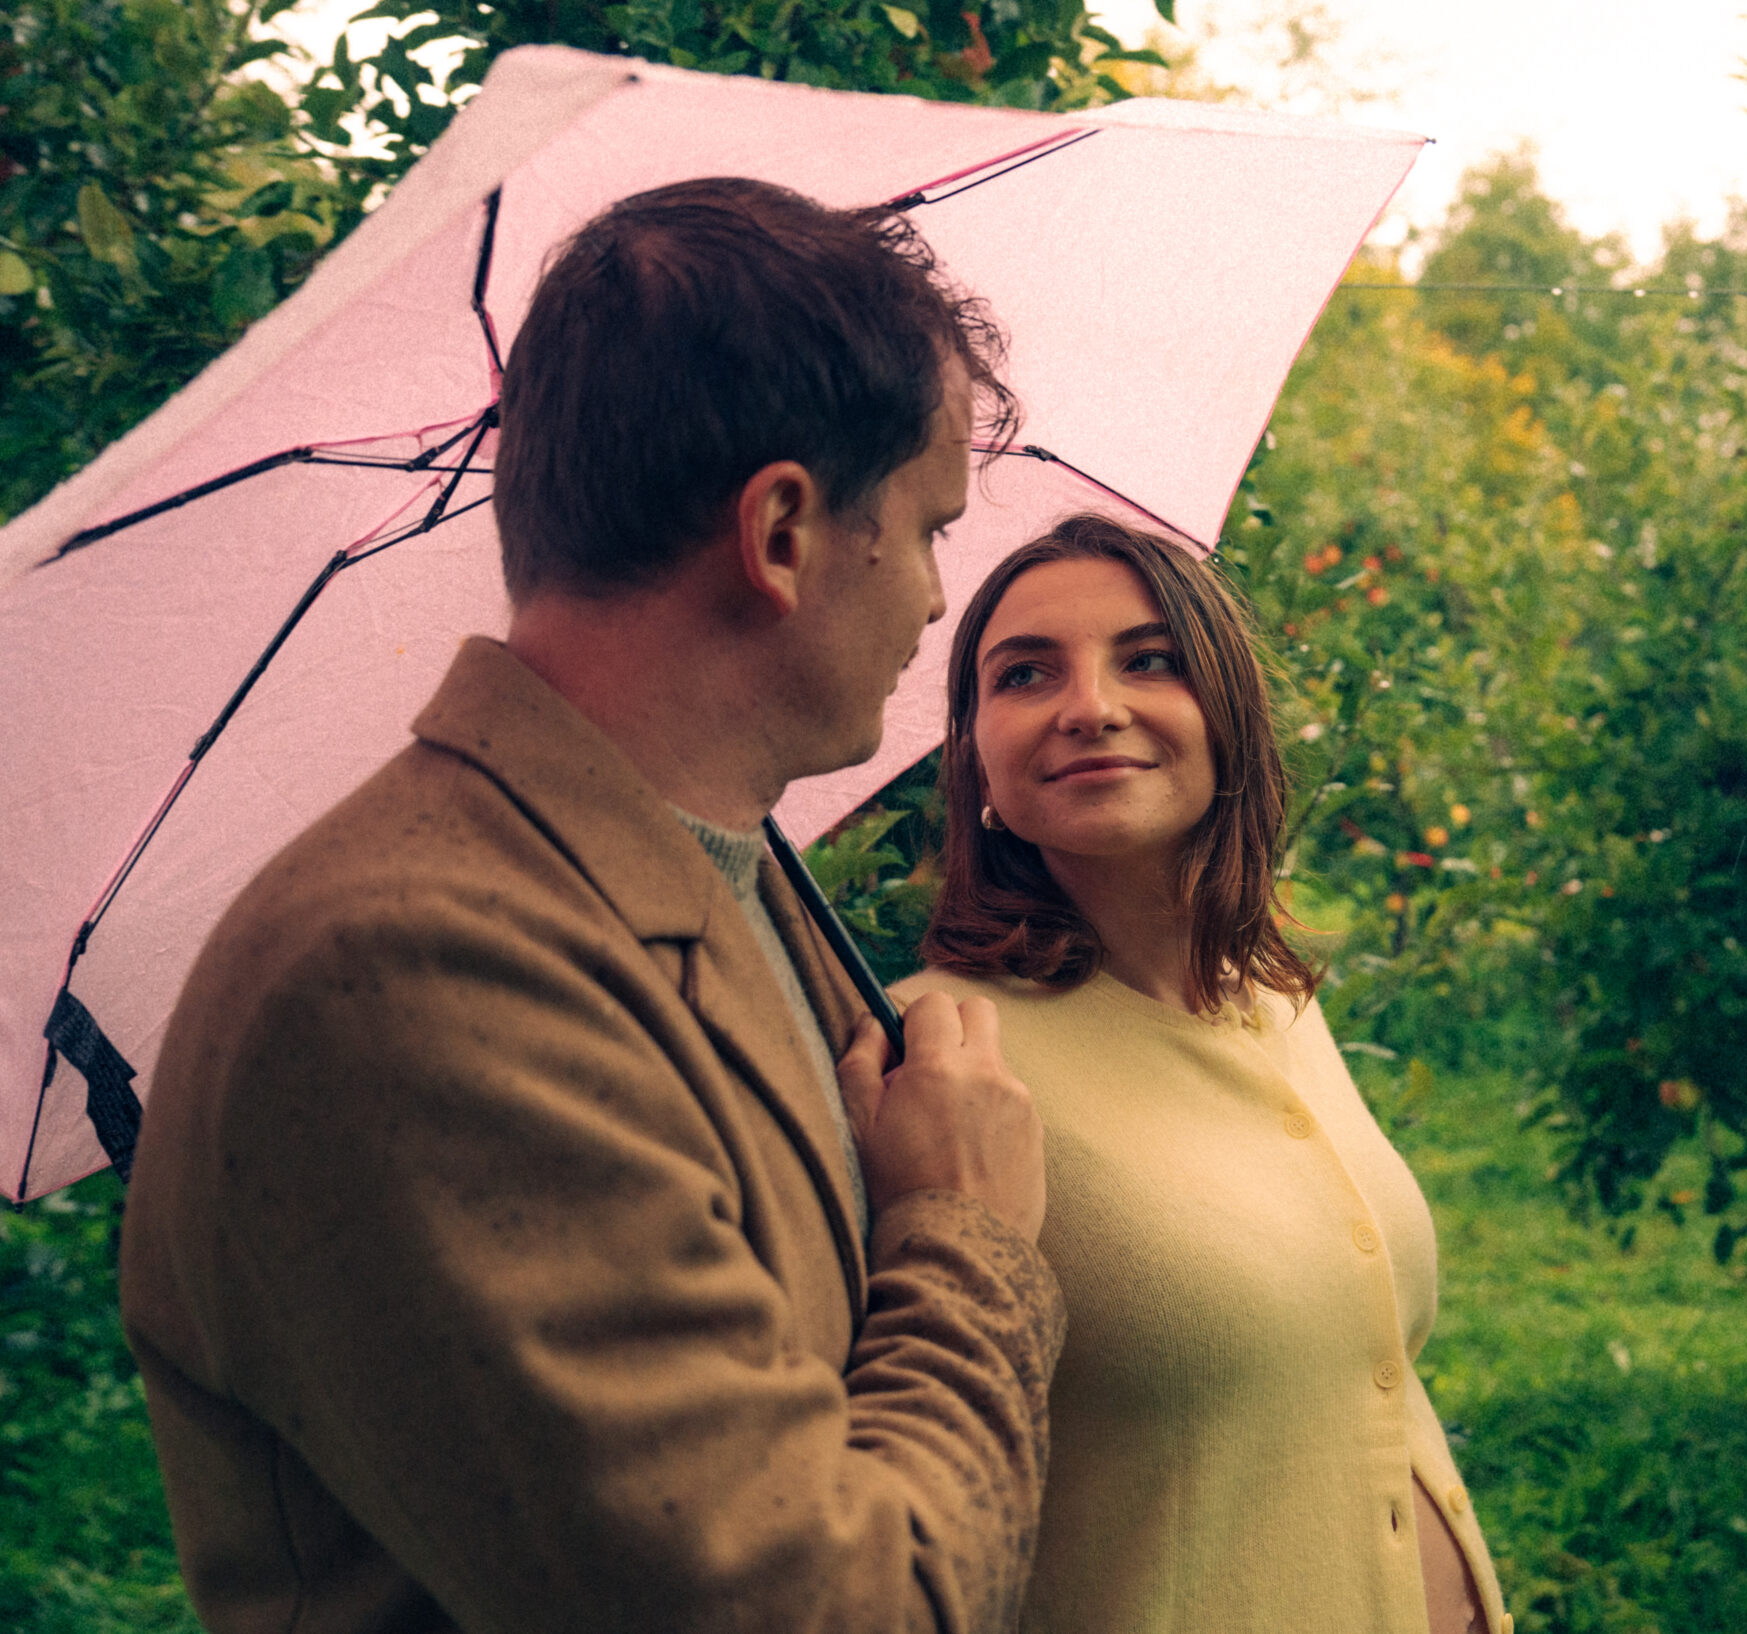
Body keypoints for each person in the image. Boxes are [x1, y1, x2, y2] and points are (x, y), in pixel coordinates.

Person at [118, 178, 1062, 1634]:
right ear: (785, 533)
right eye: (930, 528)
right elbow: (828, 1609)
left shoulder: (712, 870)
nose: (942, 600)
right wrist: (970, 1240)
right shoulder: (415, 975)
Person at [894, 513, 1512, 1634]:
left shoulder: (1272, 996)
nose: (1090, 704)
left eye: (1149, 658)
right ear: (977, 751)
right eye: (1025, 673)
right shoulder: (935, 1056)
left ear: (1225, 715)